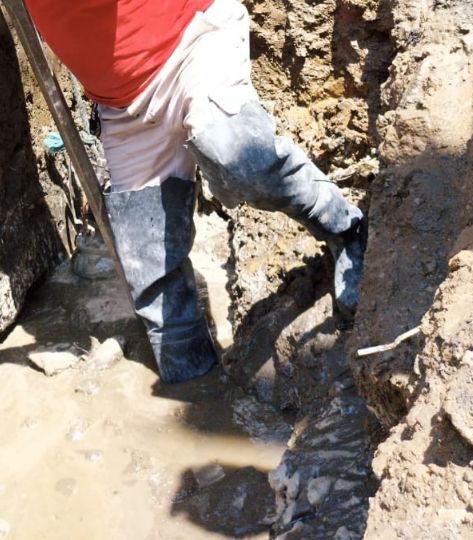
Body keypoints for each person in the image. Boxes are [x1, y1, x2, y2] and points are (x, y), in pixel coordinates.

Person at [23, 0, 368, 383]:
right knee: (160, 301)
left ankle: (347, 230)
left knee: (238, 158)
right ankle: (207, 392)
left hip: (193, 43)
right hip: (123, 107)